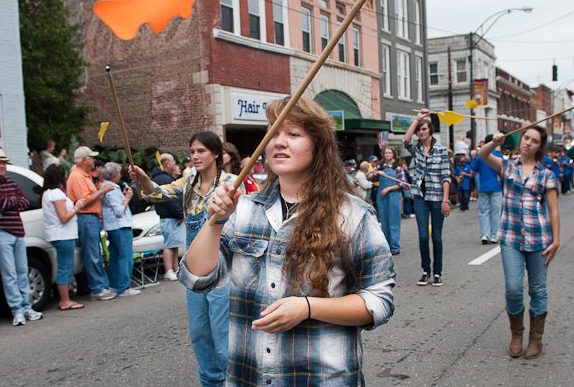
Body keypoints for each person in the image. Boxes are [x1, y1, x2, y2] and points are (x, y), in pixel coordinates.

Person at [181, 97, 395, 385]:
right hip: (249, 376)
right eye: (274, 132)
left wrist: (307, 307)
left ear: (318, 146)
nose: (279, 142)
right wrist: (215, 220)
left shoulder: (352, 214)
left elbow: (378, 301)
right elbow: (197, 278)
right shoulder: (244, 210)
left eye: (293, 134)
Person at [131, 131, 238, 387]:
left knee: (224, 335)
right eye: (192, 152)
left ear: (215, 153)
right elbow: (156, 194)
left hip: (223, 270)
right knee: (200, 333)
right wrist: (144, 179)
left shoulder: (233, 182)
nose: (195, 156)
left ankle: (233, 381)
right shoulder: (189, 180)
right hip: (193, 269)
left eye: (201, 151)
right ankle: (210, 382)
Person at [479, 125, 559, 360]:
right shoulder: (506, 166)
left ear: (539, 147)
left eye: (534, 141)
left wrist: (556, 241)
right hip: (510, 238)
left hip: (539, 239)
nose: (528, 143)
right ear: (521, 139)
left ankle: (536, 339)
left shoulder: (546, 174)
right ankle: (517, 333)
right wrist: (495, 142)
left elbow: (553, 211)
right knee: (513, 289)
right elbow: (482, 155)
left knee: (538, 289)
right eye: (526, 138)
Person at [0, 148, 42, 326]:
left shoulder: (11, 181)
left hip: (17, 231)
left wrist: (6, 204)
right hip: (0, 232)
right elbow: (6, 201)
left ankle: (27, 307)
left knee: (22, 271)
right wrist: (9, 202)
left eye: (4, 163)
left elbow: (25, 201)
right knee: (9, 274)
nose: (2, 166)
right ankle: (17, 310)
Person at [403, 109, 451, 287]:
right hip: (420, 197)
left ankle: (437, 272)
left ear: (430, 131)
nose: (421, 132)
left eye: (424, 129)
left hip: (437, 197)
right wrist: (417, 119)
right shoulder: (416, 149)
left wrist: (445, 201)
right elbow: (406, 140)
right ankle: (425, 271)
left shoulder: (441, 150)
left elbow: (446, 176)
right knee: (423, 236)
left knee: (436, 238)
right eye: (419, 130)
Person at [67, 146, 116, 301]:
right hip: (86, 217)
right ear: (85, 160)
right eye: (91, 157)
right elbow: (84, 201)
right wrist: (102, 191)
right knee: (92, 254)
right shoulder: (77, 176)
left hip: (90, 218)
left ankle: (99, 285)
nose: (93, 160)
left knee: (94, 253)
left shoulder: (84, 175)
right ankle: (97, 288)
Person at [40, 164, 85, 310]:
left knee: (64, 265)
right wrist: (77, 208)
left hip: (58, 234)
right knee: (66, 266)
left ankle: (65, 298)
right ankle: (65, 300)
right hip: (63, 235)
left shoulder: (47, 193)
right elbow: (64, 217)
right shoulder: (57, 194)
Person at [100, 163, 140, 297]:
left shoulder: (104, 186)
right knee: (125, 256)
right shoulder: (112, 188)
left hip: (111, 227)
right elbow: (119, 211)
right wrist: (127, 197)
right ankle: (124, 287)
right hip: (121, 225)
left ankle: (115, 285)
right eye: (118, 173)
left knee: (115, 256)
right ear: (114, 175)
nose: (119, 176)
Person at [153, 153, 186, 281]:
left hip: (170, 216)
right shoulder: (164, 179)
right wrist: (179, 213)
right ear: (167, 164)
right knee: (169, 245)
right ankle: (169, 270)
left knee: (174, 244)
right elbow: (171, 200)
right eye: (173, 161)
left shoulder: (164, 178)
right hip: (169, 216)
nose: (175, 163)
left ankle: (175, 268)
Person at [372, 146, 407, 255]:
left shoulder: (398, 168)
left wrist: (389, 188)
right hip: (381, 197)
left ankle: (395, 247)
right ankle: (386, 246)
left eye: (389, 153)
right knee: (384, 222)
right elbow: (370, 177)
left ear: (393, 154)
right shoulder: (380, 166)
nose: (387, 154)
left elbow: (402, 183)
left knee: (394, 222)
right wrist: (376, 173)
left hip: (393, 195)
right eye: (385, 153)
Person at [471, 135, 504, 244]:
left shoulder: (480, 156)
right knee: (496, 211)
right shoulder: (499, 156)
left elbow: (474, 170)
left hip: (483, 186)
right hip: (496, 186)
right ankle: (495, 235)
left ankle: (485, 234)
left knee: (484, 211)